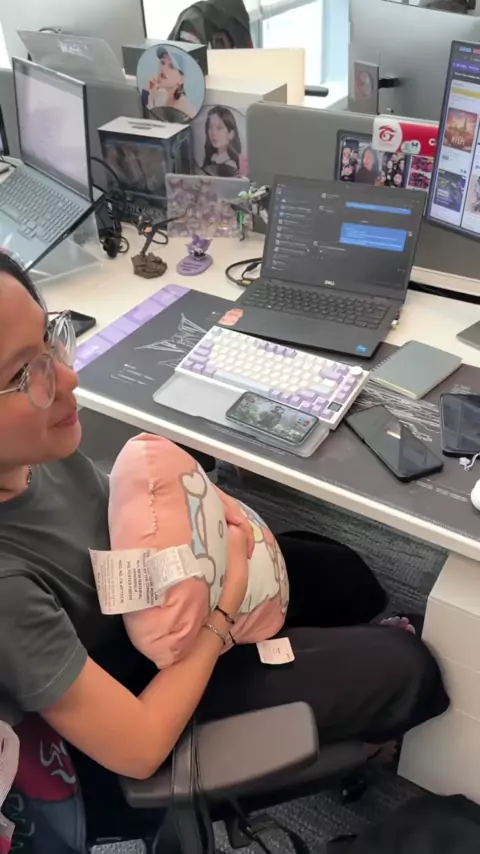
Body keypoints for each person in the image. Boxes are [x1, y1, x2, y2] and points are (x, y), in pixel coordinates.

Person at [0, 254, 448, 815]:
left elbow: (110, 516)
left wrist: (202, 518)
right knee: (407, 665)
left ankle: (337, 665)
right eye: (23, 374)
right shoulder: (7, 588)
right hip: (143, 694)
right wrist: (223, 608)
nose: (67, 377)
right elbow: (137, 747)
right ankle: (366, 721)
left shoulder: (29, 454)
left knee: (344, 573)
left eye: (50, 342)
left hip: (152, 597)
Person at [142, 47, 196, 123]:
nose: (163, 68)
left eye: (171, 66)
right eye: (162, 63)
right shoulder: (160, 97)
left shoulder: (184, 106)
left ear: (181, 79)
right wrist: (147, 92)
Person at [203, 105, 242, 178]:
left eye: (219, 128)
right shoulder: (211, 159)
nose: (213, 133)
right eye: (210, 127)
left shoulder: (231, 167)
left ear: (231, 134)